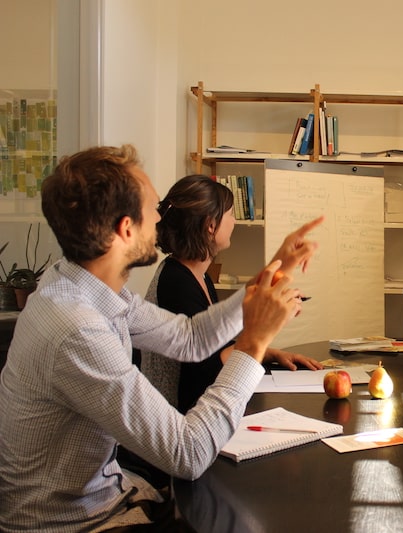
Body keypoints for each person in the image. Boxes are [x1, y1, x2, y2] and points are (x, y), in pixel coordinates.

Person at [0, 144, 323, 531]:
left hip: (113, 494)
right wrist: (254, 344)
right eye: (154, 208)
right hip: (76, 525)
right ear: (125, 229)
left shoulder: (81, 285)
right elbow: (188, 453)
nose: (161, 218)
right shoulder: (75, 328)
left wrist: (275, 270)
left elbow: (188, 337)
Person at [140, 175, 322, 414]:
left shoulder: (199, 275)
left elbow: (216, 346)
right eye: (231, 214)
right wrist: (260, 342)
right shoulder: (176, 282)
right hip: (182, 418)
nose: (235, 222)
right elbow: (204, 367)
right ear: (211, 225)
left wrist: (268, 354)